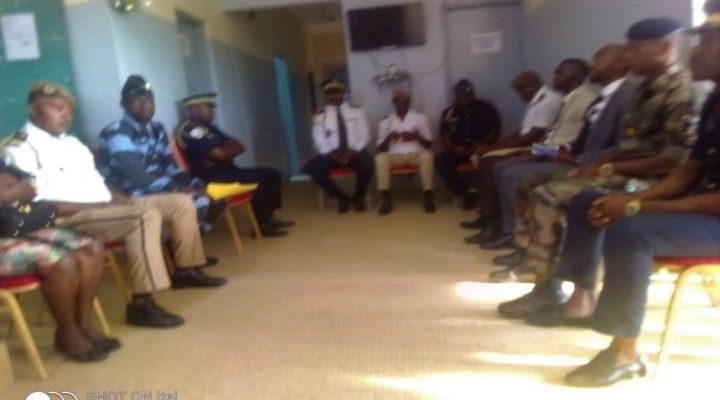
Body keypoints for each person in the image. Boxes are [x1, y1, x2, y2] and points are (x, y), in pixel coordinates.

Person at [497, 18, 695, 326]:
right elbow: (630, 145)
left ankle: (549, 287)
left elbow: (673, 160)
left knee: (550, 194)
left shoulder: (680, 91)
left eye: (636, 48)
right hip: (628, 169)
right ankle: (542, 282)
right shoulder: (643, 88)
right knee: (529, 182)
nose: (628, 55)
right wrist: (591, 167)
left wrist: (607, 167)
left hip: (654, 182)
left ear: (665, 48)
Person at [562, 15, 720, 387]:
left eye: (707, 43)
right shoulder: (715, 100)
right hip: (702, 204)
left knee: (632, 232)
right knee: (594, 201)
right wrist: (628, 199)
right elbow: (688, 171)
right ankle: (579, 297)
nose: (693, 52)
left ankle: (624, 353)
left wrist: (637, 207)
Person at [3, 82, 226, 329]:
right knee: (144, 217)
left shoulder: (71, 143)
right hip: (66, 216)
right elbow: (36, 204)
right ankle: (142, 303)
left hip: (101, 206)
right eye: (57, 108)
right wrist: (100, 207)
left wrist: (116, 197)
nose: (65, 114)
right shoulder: (21, 148)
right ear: (34, 110)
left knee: (180, 203)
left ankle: (186, 270)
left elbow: (95, 180)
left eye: (68, 110)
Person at [489, 45, 635, 282]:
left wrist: (576, 158)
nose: (592, 64)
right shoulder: (596, 97)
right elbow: (580, 140)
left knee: (530, 183)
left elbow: (623, 146)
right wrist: (560, 151)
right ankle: (523, 249)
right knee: (522, 178)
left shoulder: (620, 96)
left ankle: (539, 268)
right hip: (573, 157)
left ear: (619, 64)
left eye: (599, 59)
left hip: (599, 167)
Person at [464, 60, 594, 249]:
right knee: (496, 165)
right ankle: (495, 221)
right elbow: (538, 135)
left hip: (559, 155)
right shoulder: (566, 98)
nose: (554, 77)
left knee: (503, 169)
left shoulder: (576, 99)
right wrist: (537, 150)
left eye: (559, 73)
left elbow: (554, 139)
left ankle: (508, 230)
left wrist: (540, 150)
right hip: (547, 150)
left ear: (573, 75)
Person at [0, 161, 118, 362]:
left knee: (91, 246)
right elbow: (16, 189)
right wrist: (11, 192)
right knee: (60, 261)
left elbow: (26, 186)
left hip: (14, 228)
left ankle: (83, 324)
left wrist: (15, 189)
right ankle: (67, 333)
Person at [98, 75, 225, 234]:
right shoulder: (117, 132)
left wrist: (195, 183)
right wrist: (182, 189)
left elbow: (170, 167)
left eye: (149, 99)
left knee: (216, 196)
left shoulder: (157, 128)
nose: (145, 105)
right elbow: (138, 177)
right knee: (199, 201)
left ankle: (194, 236)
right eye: (137, 100)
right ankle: (178, 242)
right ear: (124, 104)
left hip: (157, 184)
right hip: (129, 190)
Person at [175, 93, 293, 237]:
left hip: (227, 171)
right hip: (212, 178)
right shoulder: (190, 130)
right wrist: (226, 152)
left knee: (273, 174)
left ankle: (269, 217)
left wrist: (225, 152)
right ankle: (262, 226)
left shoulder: (210, 128)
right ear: (193, 110)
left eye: (211, 108)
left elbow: (240, 146)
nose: (212, 112)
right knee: (260, 180)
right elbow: (220, 154)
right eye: (208, 108)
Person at [304, 78, 374, 214]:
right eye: (330, 93)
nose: (334, 95)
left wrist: (352, 151)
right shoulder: (320, 114)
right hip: (332, 154)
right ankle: (341, 198)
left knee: (367, 165)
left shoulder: (356, 111)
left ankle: (358, 198)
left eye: (337, 92)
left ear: (343, 93)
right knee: (312, 168)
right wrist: (331, 154)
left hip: (354, 151)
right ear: (326, 95)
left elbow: (364, 134)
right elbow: (318, 138)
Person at [434, 80, 501, 209]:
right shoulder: (448, 112)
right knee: (440, 160)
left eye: (469, 94)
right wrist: (454, 147)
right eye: (462, 95)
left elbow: (496, 130)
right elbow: (444, 136)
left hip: (481, 148)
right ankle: (466, 193)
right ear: (457, 95)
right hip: (459, 150)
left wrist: (482, 144)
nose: (466, 97)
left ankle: (489, 196)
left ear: (473, 93)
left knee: (488, 162)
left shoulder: (486, 108)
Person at [375, 91, 435, 215]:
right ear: (394, 103)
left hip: (415, 155)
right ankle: (386, 198)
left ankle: (428, 195)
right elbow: (381, 148)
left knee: (427, 156)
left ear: (409, 102)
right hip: (395, 156)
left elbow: (429, 144)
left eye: (405, 101)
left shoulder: (420, 118)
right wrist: (389, 138)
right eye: (398, 102)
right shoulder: (386, 121)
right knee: (380, 158)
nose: (402, 104)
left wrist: (417, 137)